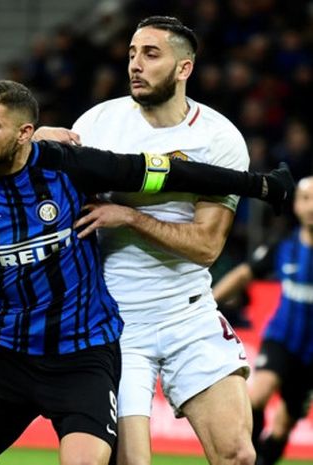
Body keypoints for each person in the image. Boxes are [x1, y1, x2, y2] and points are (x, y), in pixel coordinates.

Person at [0, 79, 292, 465]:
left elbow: (168, 171)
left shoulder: (68, 166)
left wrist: (259, 185)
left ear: (23, 134)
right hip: (5, 350)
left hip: (83, 356)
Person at [34, 16, 258, 465]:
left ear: (184, 68)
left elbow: (207, 247)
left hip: (187, 313)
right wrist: (33, 146)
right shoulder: (98, 123)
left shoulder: (218, 138)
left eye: (151, 54)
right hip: (116, 323)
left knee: (237, 454)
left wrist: (129, 216)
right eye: (133, 54)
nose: (136, 64)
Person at [212, 176, 313, 465]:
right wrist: (209, 302)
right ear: (295, 204)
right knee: (257, 396)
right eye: (305, 199)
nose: (311, 206)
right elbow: (244, 274)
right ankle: (248, 457)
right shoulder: (283, 245)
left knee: (282, 427)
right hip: (281, 339)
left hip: (311, 355)